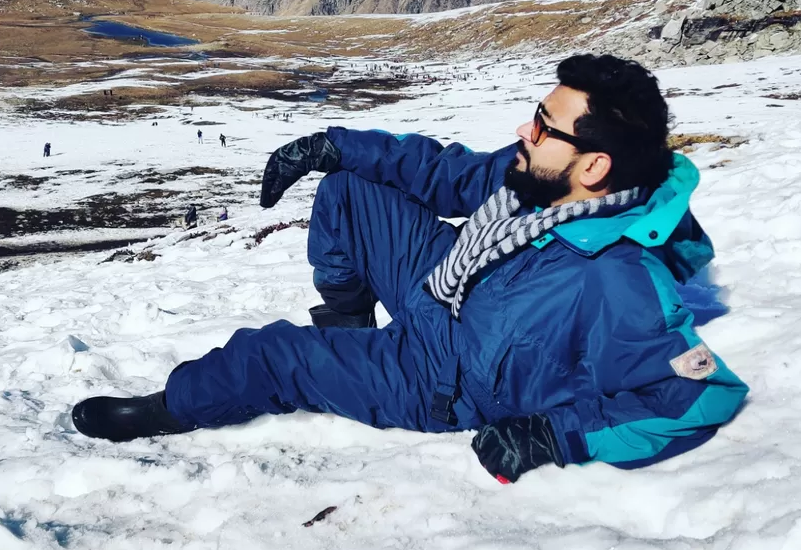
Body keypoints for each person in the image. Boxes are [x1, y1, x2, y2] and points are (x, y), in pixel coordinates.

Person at [74, 55, 747, 483]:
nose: (525, 131)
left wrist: (552, 435)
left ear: (594, 167)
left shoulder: (616, 279)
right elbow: (440, 171)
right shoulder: (535, 182)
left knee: (276, 357)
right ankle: (348, 328)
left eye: (544, 126)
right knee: (349, 187)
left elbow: (698, 398)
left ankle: (168, 409)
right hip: (442, 295)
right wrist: (331, 146)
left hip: (442, 378)